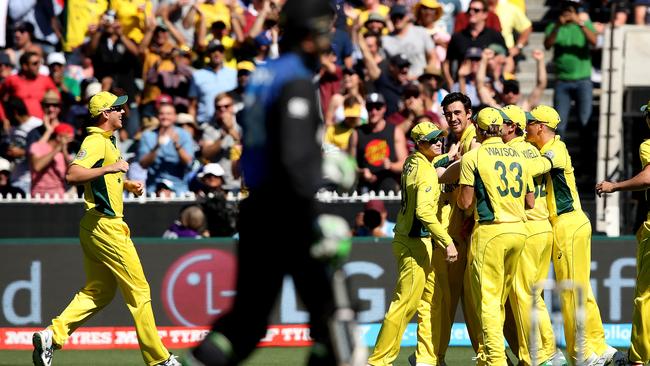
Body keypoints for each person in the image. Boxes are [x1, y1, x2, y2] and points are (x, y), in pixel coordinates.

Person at [184, 1, 343, 365]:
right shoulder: (296, 80)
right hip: (289, 209)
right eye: (326, 29)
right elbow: (292, 156)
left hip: (258, 207)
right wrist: (318, 208)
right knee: (332, 321)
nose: (330, 37)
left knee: (247, 324)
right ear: (309, 35)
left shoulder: (263, 72)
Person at [31, 91, 180, 366]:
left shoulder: (107, 141)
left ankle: (53, 335)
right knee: (140, 291)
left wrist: (125, 183)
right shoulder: (96, 141)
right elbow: (73, 174)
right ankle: (159, 359)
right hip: (106, 228)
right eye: (118, 109)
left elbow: (100, 181)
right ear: (105, 114)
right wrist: (111, 168)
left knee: (98, 290)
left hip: (94, 226)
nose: (124, 112)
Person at [526, 105, 621, 365]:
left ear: (541, 127)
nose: (526, 127)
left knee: (570, 293)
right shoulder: (551, 147)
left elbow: (534, 168)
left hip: (567, 224)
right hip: (574, 223)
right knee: (581, 289)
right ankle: (599, 346)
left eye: (530, 123)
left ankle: (582, 355)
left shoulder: (555, 149)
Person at [367, 122, 457, 366]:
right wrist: (447, 242)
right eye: (432, 140)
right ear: (420, 144)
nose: (438, 142)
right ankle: (378, 362)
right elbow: (425, 212)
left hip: (411, 241)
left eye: (439, 138)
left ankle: (425, 358)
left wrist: (448, 156)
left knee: (428, 302)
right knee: (403, 305)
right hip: (415, 243)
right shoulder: (425, 172)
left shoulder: (411, 161)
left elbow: (429, 164)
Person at [457, 107, 533, 365]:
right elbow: (530, 201)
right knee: (500, 299)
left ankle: (494, 360)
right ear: (500, 128)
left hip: (490, 231)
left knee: (487, 301)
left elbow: (465, 203)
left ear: (477, 129)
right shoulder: (520, 155)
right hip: (519, 230)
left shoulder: (473, 157)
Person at [499, 105, 561, 366]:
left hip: (527, 227)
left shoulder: (510, 154)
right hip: (544, 227)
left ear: (512, 126)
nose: (496, 128)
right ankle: (549, 351)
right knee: (535, 295)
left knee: (523, 295)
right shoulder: (534, 149)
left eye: (501, 123)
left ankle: (536, 356)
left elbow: (527, 198)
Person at [595, 99, 650, 366]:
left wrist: (614, 187)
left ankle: (638, 359)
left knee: (645, 294)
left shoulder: (648, 144)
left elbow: (649, 177)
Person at [543, 0, 597, 135]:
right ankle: (560, 154)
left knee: (585, 122)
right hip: (562, 81)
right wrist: (557, 26)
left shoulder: (583, 25)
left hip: (583, 80)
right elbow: (547, 45)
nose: (567, 14)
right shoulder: (554, 26)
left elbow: (594, 41)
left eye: (570, 11)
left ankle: (587, 155)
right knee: (559, 125)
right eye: (565, 11)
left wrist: (580, 23)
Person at [138, 98, 195, 195]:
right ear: (157, 116)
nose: (165, 117)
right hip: (154, 187)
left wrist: (178, 146)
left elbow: (189, 163)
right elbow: (143, 164)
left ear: (175, 116)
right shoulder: (148, 136)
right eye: (162, 114)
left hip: (178, 187)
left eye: (168, 114)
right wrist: (157, 146)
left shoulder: (184, 135)